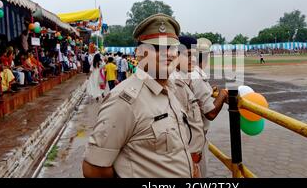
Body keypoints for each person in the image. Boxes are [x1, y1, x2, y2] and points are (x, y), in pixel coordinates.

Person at [83, 13, 193, 178]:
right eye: (157, 47)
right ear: (140, 53)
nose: (168, 54)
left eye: (172, 48)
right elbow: (94, 170)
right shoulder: (125, 101)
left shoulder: (171, 90)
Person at [189, 37, 229, 177]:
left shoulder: (190, 73)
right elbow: (210, 114)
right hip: (194, 140)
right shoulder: (197, 76)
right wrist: (222, 94)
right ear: (206, 56)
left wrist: (210, 92)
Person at [169, 36, 205, 178]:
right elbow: (178, 129)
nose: (193, 60)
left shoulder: (184, 78)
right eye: (188, 55)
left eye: (195, 55)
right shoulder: (175, 83)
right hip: (186, 162)